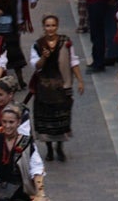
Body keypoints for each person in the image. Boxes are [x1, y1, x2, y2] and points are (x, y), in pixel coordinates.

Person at [30, 14, 85, 162]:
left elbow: (73, 61)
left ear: (57, 26)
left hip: (62, 86)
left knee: (62, 118)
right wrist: (44, 57)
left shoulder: (66, 42)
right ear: (43, 27)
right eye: (48, 26)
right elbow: (36, 66)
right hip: (44, 87)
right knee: (46, 119)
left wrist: (80, 80)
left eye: (53, 25)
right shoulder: (38, 44)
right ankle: (48, 148)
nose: (50, 28)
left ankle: (59, 147)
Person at [0, 104, 45, 201]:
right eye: (4, 122)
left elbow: (36, 167)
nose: (7, 126)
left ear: (18, 122)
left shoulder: (26, 142)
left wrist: (40, 191)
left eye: (11, 122)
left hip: (20, 193)